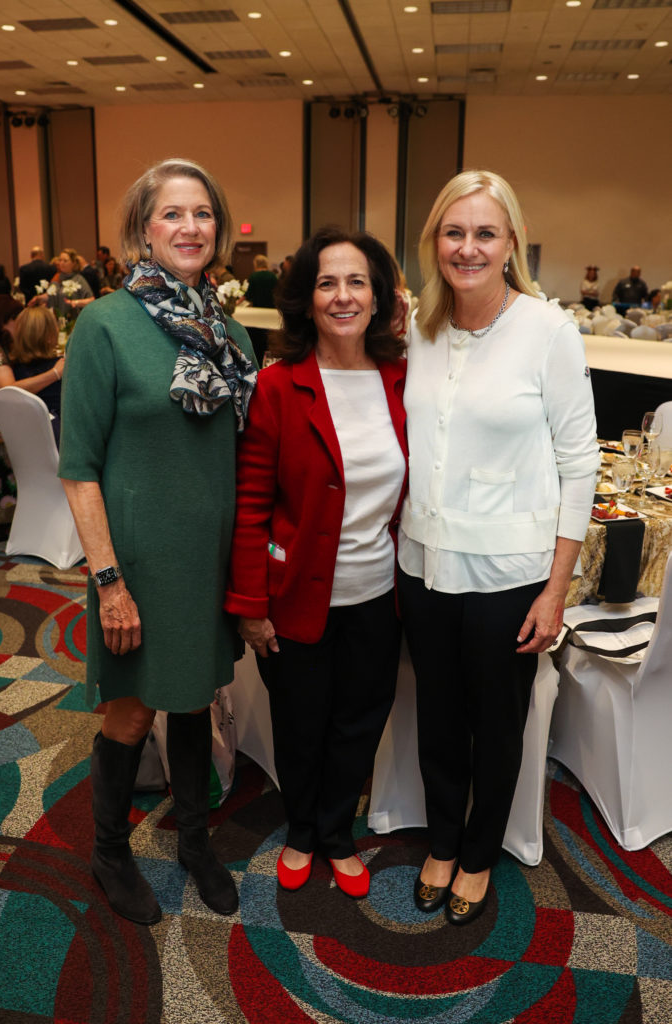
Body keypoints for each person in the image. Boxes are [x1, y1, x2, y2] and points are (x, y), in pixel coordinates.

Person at [58, 158, 257, 927]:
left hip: (205, 560)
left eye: (202, 213)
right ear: (143, 229)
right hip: (135, 562)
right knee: (135, 711)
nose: (190, 227)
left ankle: (194, 843)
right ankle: (110, 850)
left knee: (195, 698)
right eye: (172, 214)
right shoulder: (106, 323)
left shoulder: (229, 330)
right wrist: (108, 580)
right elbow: (78, 470)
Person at [398, 170, 599, 926]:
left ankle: (479, 853)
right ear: (433, 243)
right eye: (454, 232)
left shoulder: (546, 330)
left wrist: (555, 589)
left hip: (510, 576)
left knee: (496, 722)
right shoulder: (418, 326)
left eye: (485, 233)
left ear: (511, 241)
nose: (468, 247)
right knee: (438, 718)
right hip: (423, 565)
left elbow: (578, 465)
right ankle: (442, 841)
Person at [225, 227, 407, 899]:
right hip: (293, 595)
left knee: (359, 719)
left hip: (378, 594)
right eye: (327, 283)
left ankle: (336, 833)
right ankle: (302, 829)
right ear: (304, 299)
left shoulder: (401, 379)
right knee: (301, 724)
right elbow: (248, 507)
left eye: (357, 281)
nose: (342, 295)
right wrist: (249, 607)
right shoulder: (276, 386)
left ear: (378, 295)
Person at [0, 296, 65, 535]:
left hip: (26, 451)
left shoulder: (17, 367)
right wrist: (56, 372)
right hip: (58, 448)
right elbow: (7, 391)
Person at [11, 307, 63, 443]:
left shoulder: (13, 371)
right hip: (62, 448)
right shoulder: (62, 370)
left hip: (25, 449)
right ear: (49, 336)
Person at [30, 249, 94, 317]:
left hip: (73, 320)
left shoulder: (79, 279)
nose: (61, 263)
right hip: (57, 319)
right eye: (60, 260)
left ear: (73, 263)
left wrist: (75, 302)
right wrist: (39, 298)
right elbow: (51, 295)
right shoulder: (57, 277)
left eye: (65, 261)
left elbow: (91, 300)